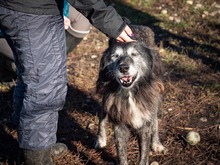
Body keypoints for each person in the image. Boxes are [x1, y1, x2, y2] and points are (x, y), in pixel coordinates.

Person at [0, 0, 134, 164]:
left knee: (32, 78)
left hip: (24, 9)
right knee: (45, 86)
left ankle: (34, 146)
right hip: (33, 13)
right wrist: (110, 21)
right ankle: (36, 159)